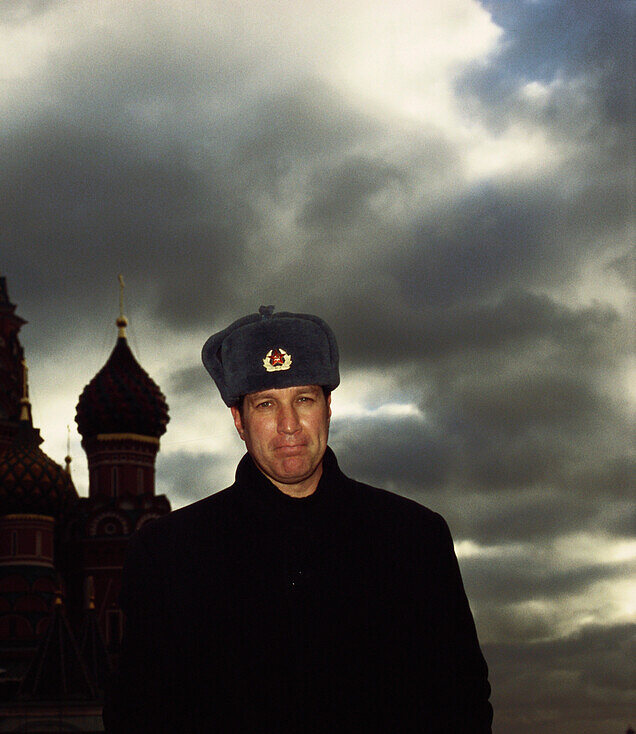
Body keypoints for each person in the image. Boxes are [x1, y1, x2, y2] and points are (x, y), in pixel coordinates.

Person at [104, 306, 492, 733]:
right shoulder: (169, 553)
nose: (288, 425)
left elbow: (463, 700)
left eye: (303, 399)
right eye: (266, 404)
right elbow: (137, 713)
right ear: (239, 421)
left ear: (328, 407)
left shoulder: (414, 537)